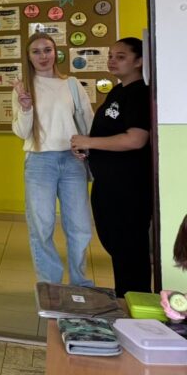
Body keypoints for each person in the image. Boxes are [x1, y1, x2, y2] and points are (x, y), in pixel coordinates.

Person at [70, 37, 152, 296]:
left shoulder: (140, 93)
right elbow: (110, 135)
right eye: (110, 56)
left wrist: (89, 141)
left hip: (128, 187)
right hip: (108, 185)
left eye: (121, 56)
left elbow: (136, 139)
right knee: (117, 246)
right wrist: (89, 149)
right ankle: (124, 298)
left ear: (139, 61)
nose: (112, 61)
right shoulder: (117, 92)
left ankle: (136, 302)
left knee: (130, 250)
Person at [12, 32, 94, 286]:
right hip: (39, 162)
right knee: (42, 226)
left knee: (80, 226)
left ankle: (80, 282)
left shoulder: (72, 84)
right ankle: (50, 285)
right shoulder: (23, 87)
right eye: (36, 51)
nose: (43, 56)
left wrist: (88, 148)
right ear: (28, 56)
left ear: (55, 52)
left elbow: (88, 121)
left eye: (47, 50)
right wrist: (26, 108)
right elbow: (21, 132)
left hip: (72, 160)